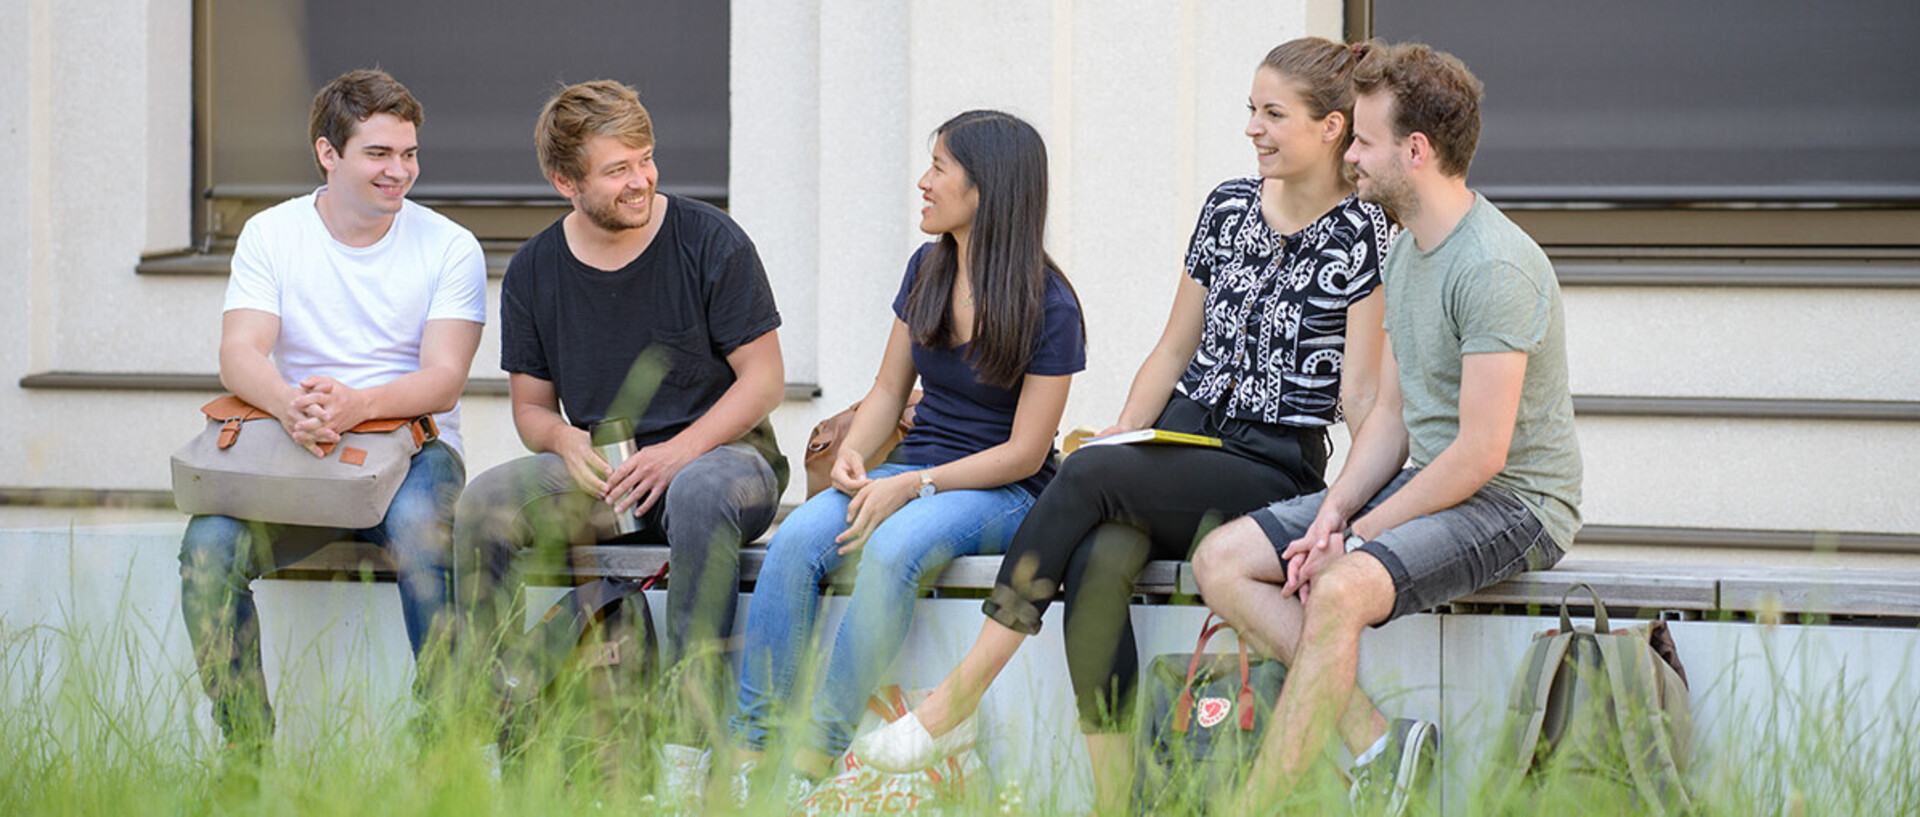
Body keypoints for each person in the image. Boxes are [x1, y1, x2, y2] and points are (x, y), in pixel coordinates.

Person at [852, 38, 1395, 813]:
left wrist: (1340, 513)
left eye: (1274, 114)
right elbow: (1173, 348)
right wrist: (1126, 430)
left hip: (1271, 464)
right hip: (1178, 440)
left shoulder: (1365, 234)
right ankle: (1123, 801)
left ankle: (957, 694)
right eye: (1251, 109)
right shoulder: (1227, 206)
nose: (1254, 128)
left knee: (1088, 473)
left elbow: (1366, 393)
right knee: (1099, 561)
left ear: (1333, 127)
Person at [1191, 40, 1583, 816]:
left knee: (1340, 586)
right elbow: (1393, 418)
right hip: (1435, 484)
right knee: (1222, 558)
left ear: (1416, 149)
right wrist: (1334, 512)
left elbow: (1482, 451)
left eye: (1364, 141)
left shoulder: (1495, 266)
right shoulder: (1405, 252)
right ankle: (1379, 740)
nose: (1351, 157)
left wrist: (1362, 533)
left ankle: (1258, 802)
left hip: (1517, 503)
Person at [729, 109, 1086, 805]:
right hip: (915, 468)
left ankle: (813, 757)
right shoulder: (927, 267)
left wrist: (912, 486)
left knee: (895, 548)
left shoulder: (1050, 303)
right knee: (799, 538)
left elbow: (1024, 451)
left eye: (940, 168)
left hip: (1004, 489)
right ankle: (753, 749)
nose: (923, 182)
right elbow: (889, 390)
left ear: (986, 189)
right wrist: (857, 458)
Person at [452, 80, 787, 787]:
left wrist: (681, 449)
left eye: (646, 159)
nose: (641, 180)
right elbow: (532, 410)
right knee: (485, 503)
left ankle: (690, 757)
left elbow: (763, 380)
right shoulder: (536, 270)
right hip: (609, 474)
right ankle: (493, 732)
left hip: (725, 460)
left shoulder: (710, 241)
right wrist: (563, 441)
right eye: (618, 169)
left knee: (697, 493)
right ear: (564, 181)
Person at [178, 69, 488, 755]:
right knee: (208, 547)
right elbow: (241, 353)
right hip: (301, 444)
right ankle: (247, 751)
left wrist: (356, 404)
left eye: (408, 153)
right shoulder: (271, 233)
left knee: (420, 531)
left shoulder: (449, 246)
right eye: (379, 153)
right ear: (328, 153)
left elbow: (442, 380)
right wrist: (290, 404)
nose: (400, 171)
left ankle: (444, 743)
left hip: (415, 446)